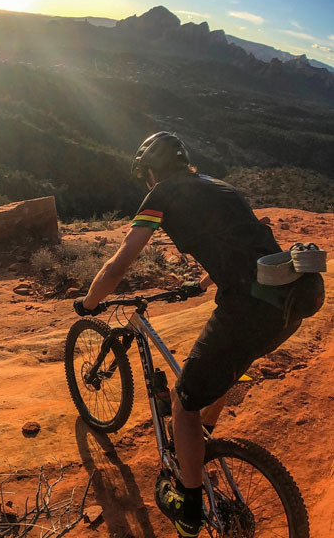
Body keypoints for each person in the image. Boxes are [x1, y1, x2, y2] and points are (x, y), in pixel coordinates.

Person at [73, 132, 302, 537]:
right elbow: (238, 241)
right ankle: (203, 440)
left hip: (249, 307)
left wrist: (90, 303)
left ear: (149, 173)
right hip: (291, 302)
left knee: (182, 400)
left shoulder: (161, 194)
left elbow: (120, 262)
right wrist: (205, 280)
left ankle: (190, 505)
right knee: (225, 366)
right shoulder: (220, 186)